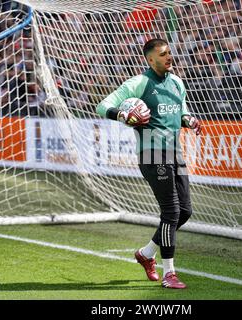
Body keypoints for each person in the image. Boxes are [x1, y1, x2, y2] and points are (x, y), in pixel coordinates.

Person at [96, 38, 201, 289]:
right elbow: (103, 106)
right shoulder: (139, 83)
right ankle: (170, 274)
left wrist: (190, 120)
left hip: (175, 153)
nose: (169, 57)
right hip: (152, 154)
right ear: (150, 59)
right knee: (171, 211)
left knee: (184, 212)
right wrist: (120, 114)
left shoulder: (177, 83)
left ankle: (146, 253)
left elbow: (182, 112)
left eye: (169, 52)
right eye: (163, 54)